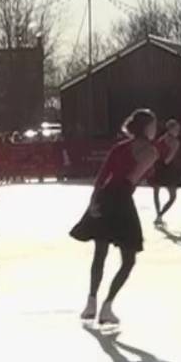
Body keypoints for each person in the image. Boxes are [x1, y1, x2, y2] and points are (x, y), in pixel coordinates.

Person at [71, 107, 158, 328]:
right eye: (153, 125)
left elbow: (102, 176)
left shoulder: (120, 147)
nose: (155, 129)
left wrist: (94, 201)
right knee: (128, 260)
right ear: (146, 127)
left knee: (100, 253)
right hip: (122, 200)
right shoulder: (150, 151)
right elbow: (131, 179)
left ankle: (91, 302)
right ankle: (107, 306)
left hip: (104, 197)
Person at [150, 118, 181, 223]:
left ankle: (158, 215)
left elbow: (155, 152)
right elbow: (168, 159)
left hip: (157, 165)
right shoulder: (175, 142)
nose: (177, 131)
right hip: (168, 169)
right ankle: (160, 215)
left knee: (156, 192)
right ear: (170, 129)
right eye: (176, 129)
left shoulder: (161, 139)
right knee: (172, 196)